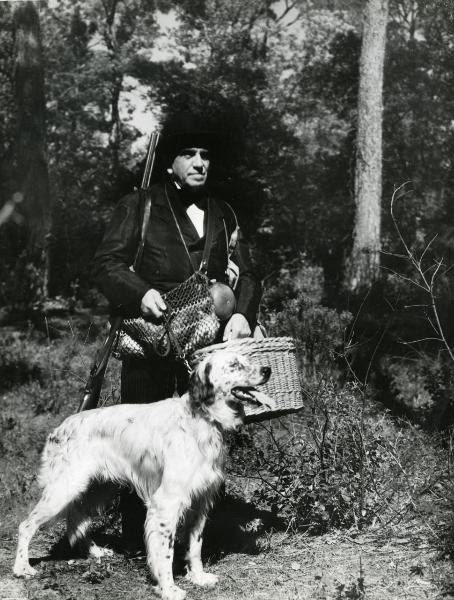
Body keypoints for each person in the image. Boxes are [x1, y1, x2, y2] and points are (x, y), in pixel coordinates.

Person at [92, 111, 262, 551]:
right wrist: (139, 291)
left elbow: (250, 274)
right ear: (171, 164)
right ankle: (138, 538)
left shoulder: (224, 213)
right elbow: (106, 263)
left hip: (205, 350)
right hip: (150, 339)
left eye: (205, 155)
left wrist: (243, 314)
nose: (199, 162)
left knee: (206, 439)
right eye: (188, 154)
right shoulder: (140, 204)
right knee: (142, 443)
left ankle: (199, 536)